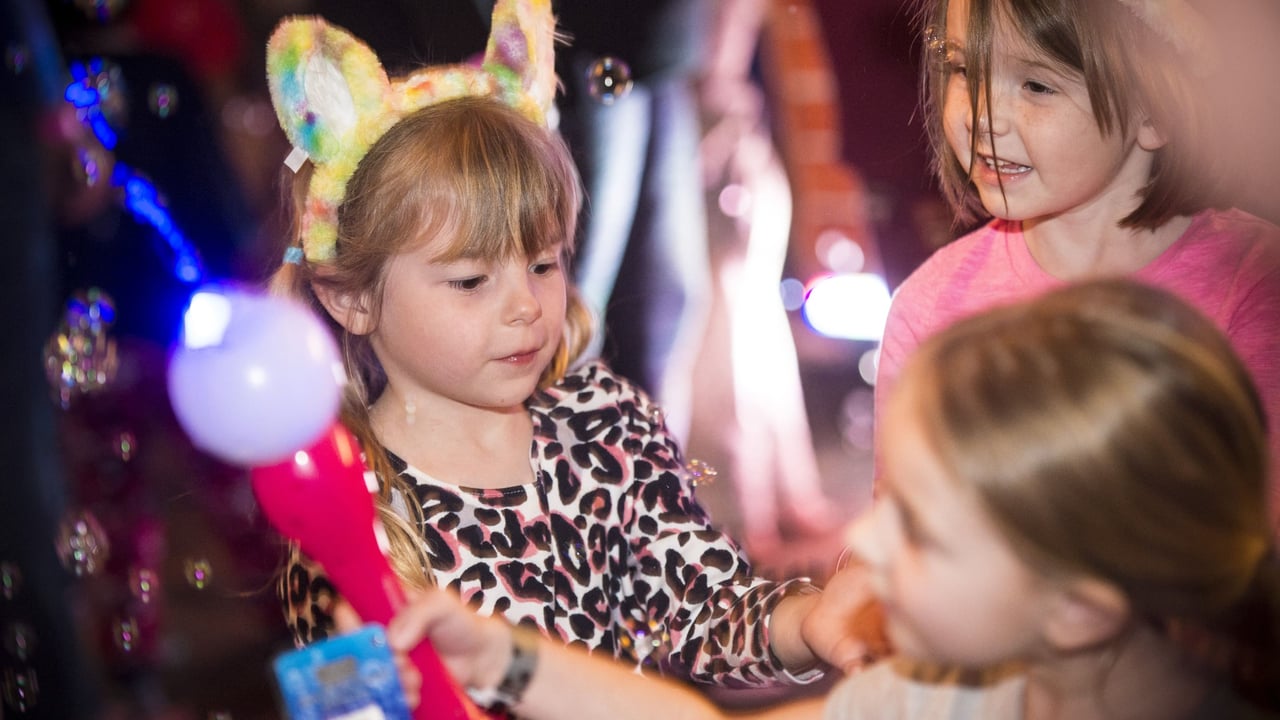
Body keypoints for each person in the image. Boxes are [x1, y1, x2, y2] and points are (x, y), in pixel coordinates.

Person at [261, 2, 873, 693]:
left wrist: (807, 623)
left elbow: (706, 610)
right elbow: (340, 695)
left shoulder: (603, 423)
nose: (526, 304)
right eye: (470, 280)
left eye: (544, 264)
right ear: (353, 299)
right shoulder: (349, 498)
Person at [386, 278, 1280, 719]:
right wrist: (502, 656)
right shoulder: (948, 691)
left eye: (921, 528)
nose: (865, 539)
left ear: (1079, 608)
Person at [874, 0, 1280, 526]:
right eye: (963, 70)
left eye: (1036, 86)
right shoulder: (928, 307)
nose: (981, 117)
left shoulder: (1255, 284)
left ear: (1156, 109)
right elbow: (901, 533)